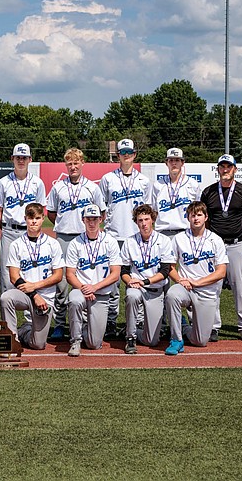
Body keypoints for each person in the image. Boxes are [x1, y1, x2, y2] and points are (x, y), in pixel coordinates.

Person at [46, 147, 107, 339]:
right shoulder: (58, 187)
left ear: (82, 164)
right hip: (64, 237)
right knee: (62, 283)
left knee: (88, 278)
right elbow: (51, 212)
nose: (73, 167)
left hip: (85, 238)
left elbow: (101, 212)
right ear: (66, 165)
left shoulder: (92, 187)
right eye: (69, 163)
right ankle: (60, 323)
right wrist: (65, 223)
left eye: (76, 163)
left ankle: (90, 322)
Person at [200, 154, 242, 343]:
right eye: (222, 167)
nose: (225, 170)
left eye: (229, 167)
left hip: (236, 244)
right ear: (218, 169)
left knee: (241, 288)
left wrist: (241, 230)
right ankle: (214, 326)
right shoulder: (208, 192)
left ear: (235, 169)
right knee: (213, 287)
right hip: (215, 246)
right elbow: (205, 218)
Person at [98, 138, 151, 337]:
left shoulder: (144, 181)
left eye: (129, 152)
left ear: (135, 155)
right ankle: (111, 321)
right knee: (112, 282)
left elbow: (147, 209)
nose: (126, 155)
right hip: (113, 236)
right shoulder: (108, 179)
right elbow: (101, 207)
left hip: (136, 237)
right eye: (123, 153)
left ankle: (137, 321)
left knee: (136, 279)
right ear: (117, 156)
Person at [164, 202, 228, 355]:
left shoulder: (216, 240)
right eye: (192, 215)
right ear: (188, 218)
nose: (196, 218)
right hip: (185, 287)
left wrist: (198, 282)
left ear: (206, 217)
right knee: (172, 295)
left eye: (199, 215)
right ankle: (176, 339)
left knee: (200, 341)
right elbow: (170, 267)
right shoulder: (179, 239)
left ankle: (183, 326)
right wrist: (181, 280)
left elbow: (221, 272)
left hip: (206, 290)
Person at [0, 203, 65, 350]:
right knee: (6, 298)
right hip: (25, 295)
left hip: (45, 297)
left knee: (38, 344)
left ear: (43, 219)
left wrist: (35, 286)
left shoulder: (52, 244)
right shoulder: (16, 244)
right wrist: (34, 294)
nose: (33, 221)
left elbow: (58, 276)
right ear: (25, 219)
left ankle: (24, 331)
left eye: (37, 218)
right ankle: (12, 339)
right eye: (30, 218)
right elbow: (14, 277)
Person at [65, 205, 122, 357]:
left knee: (94, 344)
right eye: (88, 219)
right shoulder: (75, 243)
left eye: (95, 219)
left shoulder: (110, 242)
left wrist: (94, 288)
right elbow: (70, 274)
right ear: (83, 220)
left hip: (101, 293)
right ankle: (75, 341)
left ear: (101, 219)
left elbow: (115, 273)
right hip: (80, 290)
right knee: (75, 300)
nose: (92, 223)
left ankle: (85, 328)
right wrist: (85, 288)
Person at [120, 204, 175, 353]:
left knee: (152, 340)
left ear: (153, 220)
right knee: (131, 296)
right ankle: (130, 337)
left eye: (146, 219)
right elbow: (124, 271)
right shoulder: (129, 242)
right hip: (136, 287)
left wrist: (144, 281)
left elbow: (165, 271)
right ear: (136, 222)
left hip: (155, 290)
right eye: (140, 220)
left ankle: (133, 331)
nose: (144, 223)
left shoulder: (163, 240)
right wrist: (129, 281)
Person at [0, 143, 46, 293]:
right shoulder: (3, 182)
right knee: (6, 275)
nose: (21, 160)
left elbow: (41, 211)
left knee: (31, 272)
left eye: (24, 157)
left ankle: (32, 315)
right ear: (12, 159)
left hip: (31, 233)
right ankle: (7, 315)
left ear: (30, 159)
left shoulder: (37, 183)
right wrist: (6, 227)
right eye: (18, 157)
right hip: (9, 232)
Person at [150, 148, 201, 238]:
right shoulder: (158, 185)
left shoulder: (192, 184)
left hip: (186, 233)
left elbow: (198, 210)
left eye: (177, 160)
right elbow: (154, 211)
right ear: (166, 163)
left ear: (182, 163)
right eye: (171, 160)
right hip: (163, 233)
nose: (174, 163)